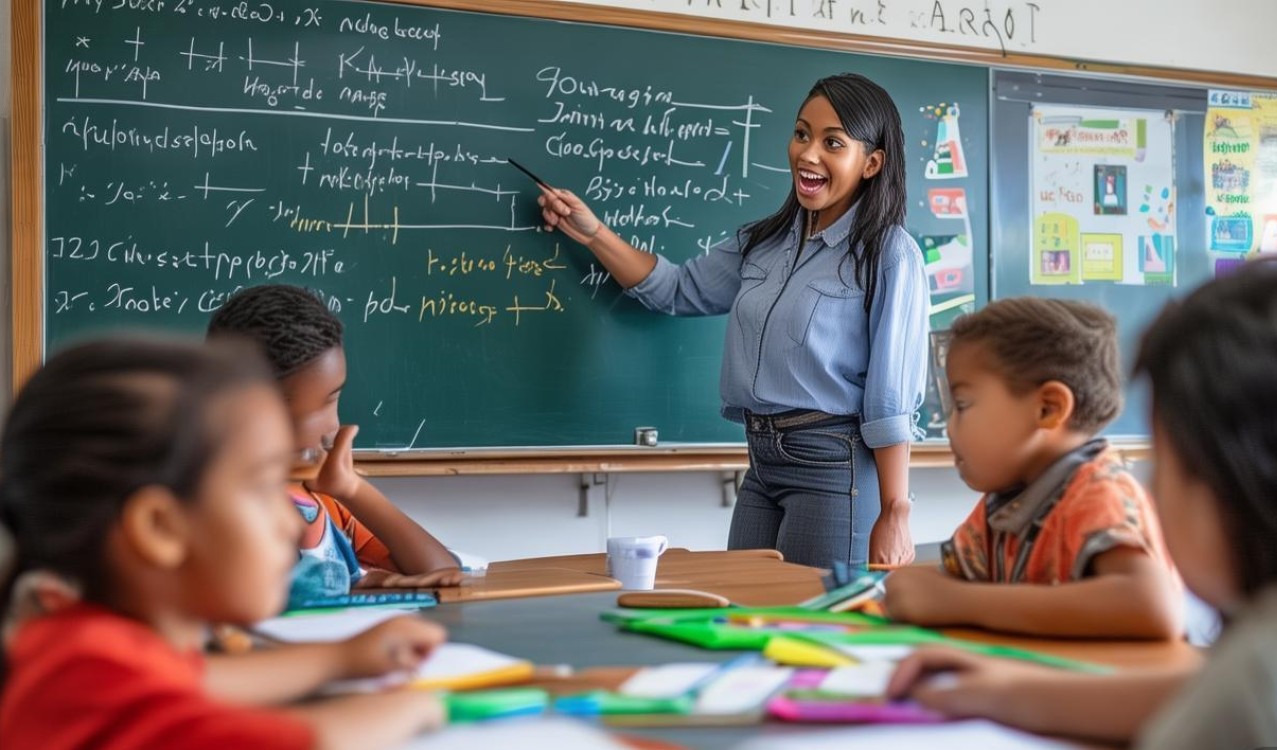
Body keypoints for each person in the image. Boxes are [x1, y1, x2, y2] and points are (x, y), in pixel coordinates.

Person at [888, 260, 1277, 747]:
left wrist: (961, 604)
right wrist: (1003, 690)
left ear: (1235, 489)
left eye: (1167, 463)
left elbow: (1159, 618)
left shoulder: (1268, 678)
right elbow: (1186, 692)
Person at [537, 73, 930, 568]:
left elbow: (889, 399)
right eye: (802, 134)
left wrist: (895, 511)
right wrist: (592, 233)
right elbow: (677, 289)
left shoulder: (888, 254)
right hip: (761, 461)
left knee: (812, 628)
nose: (808, 154)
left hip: (835, 464)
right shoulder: (764, 242)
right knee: (747, 615)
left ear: (871, 163)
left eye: (833, 142)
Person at [0, 338, 447, 749]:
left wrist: (343, 658)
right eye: (261, 489)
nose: (290, 526)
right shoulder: (88, 669)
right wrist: (421, 706)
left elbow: (198, 679)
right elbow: (307, 741)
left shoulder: (86, 643)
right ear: (160, 528)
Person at [881, 297, 1183, 638]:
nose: (949, 428)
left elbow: (1151, 606)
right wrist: (915, 587)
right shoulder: (1006, 502)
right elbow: (952, 581)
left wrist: (960, 600)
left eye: (962, 405)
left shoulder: (1099, 492)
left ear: (1048, 409)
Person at [208, 285, 461, 605]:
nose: (332, 426)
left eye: (336, 398)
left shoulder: (321, 494)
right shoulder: (216, 502)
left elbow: (440, 570)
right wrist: (354, 589)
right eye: (324, 404)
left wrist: (352, 489)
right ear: (260, 408)